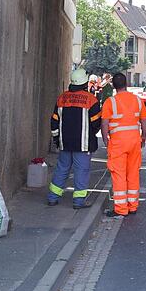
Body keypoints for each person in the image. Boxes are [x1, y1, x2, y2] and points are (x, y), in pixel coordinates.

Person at [48, 67, 101, 208]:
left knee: (62, 169)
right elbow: (96, 123)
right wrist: (90, 135)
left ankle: (53, 197)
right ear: (85, 83)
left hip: (64, 143)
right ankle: (78, 202)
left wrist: (56, 139)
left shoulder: (62, 98)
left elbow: (54, 121)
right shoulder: (91, 100)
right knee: (81, 172)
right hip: (82, 145)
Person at [100, 72, 146, 218]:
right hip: (134, 141)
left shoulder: (110, 102)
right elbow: (144, 120)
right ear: (126, 83)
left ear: (114, 86)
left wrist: (105, 138)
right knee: (133, 172)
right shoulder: (137, 100)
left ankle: (121, 209)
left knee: (119, 174)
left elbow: (105, 123)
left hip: (118, 142)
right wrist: (144, 136)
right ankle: (133, 206)